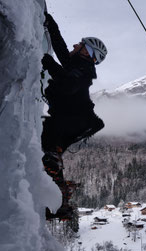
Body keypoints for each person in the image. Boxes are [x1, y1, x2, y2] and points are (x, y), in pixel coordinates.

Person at [41, 13, 107, 219]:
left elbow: (69, 84)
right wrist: (51, 25)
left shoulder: (83, 70)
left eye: (80, 44)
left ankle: (60, 199)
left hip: (74, 121)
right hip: (73, 122)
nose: (75, 45)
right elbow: (60, 48)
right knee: (48, 154)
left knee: (50, 154)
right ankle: (58, 199)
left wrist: (48, 63)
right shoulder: (76, 65)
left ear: (87, 52)